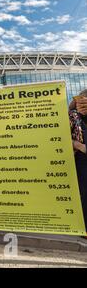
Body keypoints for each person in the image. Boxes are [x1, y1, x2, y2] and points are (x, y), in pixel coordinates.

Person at [69, 92, 87, 236]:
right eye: (80, 101)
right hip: (81, 160)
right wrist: (78, 145)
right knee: (84, 194)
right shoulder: (72, 117)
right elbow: (60, 137)